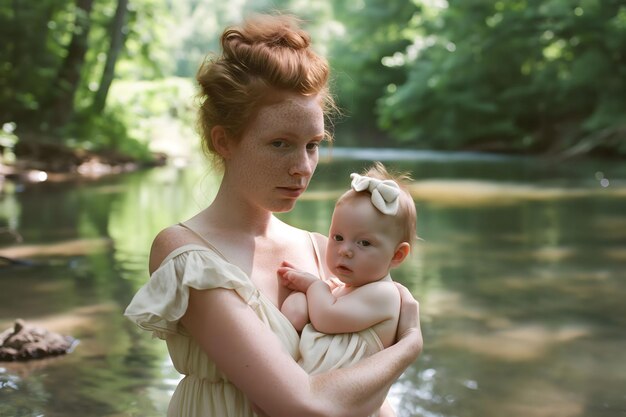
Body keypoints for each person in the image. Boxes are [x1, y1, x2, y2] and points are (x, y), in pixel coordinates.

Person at [124, 13, 422, 417]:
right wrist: (409, 347)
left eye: (313, 145)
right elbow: (305, 405)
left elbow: (360, 393)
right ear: (224, 141)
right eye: (281, 144)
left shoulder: (326, 251)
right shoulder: (188, 256)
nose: (302, 167)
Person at [278, 163, 416, 410]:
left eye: (364, 242)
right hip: (309, 393)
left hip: (338, 402)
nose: (345, 250)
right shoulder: (344, 289)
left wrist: (313, 285)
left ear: (397, 255)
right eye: (338, 237)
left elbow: (326, 318)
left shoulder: (385, 294)